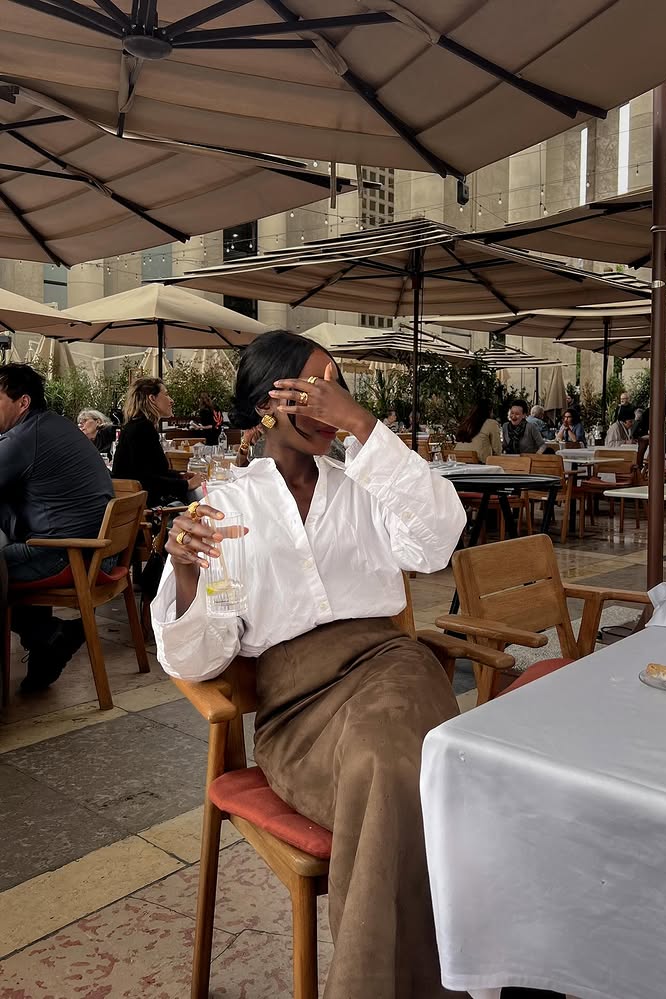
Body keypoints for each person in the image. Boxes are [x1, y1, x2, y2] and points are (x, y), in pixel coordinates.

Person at [151, 330, 468, 999]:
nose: (328, 403)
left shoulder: (363, 488)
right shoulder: (227, 505)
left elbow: (439, 537)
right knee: (398, 774)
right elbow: (197, 655)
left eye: (336, 388)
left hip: (392, 669)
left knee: (394, 760)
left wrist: (362, 425)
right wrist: (183, 575)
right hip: (297, 714)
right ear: (270, 402)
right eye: (311, 388)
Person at [0, 364, 114, 691]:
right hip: (98, 550)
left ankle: (48, 636)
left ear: (22, 402)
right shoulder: (55, 426)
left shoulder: (25, 438)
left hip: (70, 556)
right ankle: (49, 643)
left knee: (2, 565)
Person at [112, 377, 204, 506]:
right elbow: (146, 480)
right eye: (166, 394)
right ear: (152, 398)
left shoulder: (136, 426)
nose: (171, 400)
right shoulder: (142, 428)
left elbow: (152, 472)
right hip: (146, 513)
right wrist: (187, 485)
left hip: (133, 507)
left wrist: (180, 476)